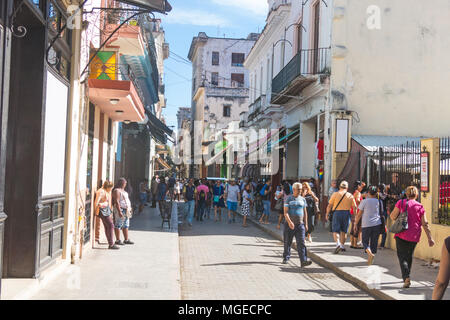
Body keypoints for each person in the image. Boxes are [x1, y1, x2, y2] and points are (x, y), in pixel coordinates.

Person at [390, 186, 435, 288]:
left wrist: (400, 215)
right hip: (414, 235)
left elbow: (392, 216)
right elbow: (425, 223)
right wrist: (430, 238)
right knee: (409, 256)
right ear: (417, 195)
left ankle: (406, 277)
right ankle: (407, 276)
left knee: (402, 257)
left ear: (406, 194)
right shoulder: (420, 206)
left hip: (402, 233)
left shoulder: (401, 203)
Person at [282, 183, 312, 268]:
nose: (300, 191)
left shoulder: (303, 199)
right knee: (287, 241)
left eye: (301, 189)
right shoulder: (288, 199)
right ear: (294, 189)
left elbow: (305, 212)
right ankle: (286, 257)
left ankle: (303, 261)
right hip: (289, 225)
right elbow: (285, 212)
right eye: (298, 189)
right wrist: (289, 222)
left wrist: (306, 224)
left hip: (300, 225)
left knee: (301, 243)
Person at [326, 181, 357, 254]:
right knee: (344, 231)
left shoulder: (335, 194)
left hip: (337, 213)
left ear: (339, 187)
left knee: (335, 230)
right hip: (346, 213)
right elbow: (354, 207)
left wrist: (327, 213)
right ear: (347, 188)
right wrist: (354, 216)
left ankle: (338, 244)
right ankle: (342, 246)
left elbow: (329, 205)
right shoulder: (350, 195)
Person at [355, 186, 383, 265]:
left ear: (368, 193)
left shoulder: (364, 201)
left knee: (365, 242)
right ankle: (371, 258)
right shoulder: (379, 202)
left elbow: (359, 214)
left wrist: (355, 224)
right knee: (374, 242)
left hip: (366, 224)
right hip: (377, 224)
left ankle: (370, 255)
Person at [94, 181, 120, 249]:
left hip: (105, 210)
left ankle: (110, 243)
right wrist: (96, 210)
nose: (111, 189)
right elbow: (97, 202)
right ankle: (111, 244)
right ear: (108, 187)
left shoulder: (105, 191)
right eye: (111, 188)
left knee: (107, 226)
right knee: (111, 225)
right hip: (103, 211)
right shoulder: (101, 191)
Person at [112, 178, 134, 245]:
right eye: (125, 183)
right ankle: (118, 240)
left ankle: (126, 239)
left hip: (126, 210)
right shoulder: (117, 191)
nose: (125, 184)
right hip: (121, 209)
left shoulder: (124, 191)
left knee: (126, 225)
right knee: (118, 224)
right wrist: (119, 211)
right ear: (121, 183)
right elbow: (117, 201)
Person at [350, 181, 365, 249]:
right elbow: (358, 200)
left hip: (353, 212)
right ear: (358, 186)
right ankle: (355, 244)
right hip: (358, 212)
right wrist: (363, 203)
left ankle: (352, 243)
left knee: (353, 227)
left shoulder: (354, 192)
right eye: (360, 186)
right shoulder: (358, 193)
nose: (361, 187)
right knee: (357, 227)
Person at [377, 184, 389, 249]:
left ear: (379, 188)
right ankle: (382, 244)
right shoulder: (386, 195)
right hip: (384, 212)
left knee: (377, 227)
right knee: (384, 227)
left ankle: (375, 243)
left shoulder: (377, 195)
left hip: (378, 212)